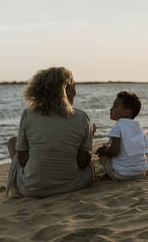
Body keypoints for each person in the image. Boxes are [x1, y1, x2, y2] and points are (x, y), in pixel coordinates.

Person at [6, 67, 94, 197]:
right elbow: (82, 162)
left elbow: (23, 160)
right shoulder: (81, 117)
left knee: (13, 142)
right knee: (90, 166)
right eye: (73, 87)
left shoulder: (28, 114)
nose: (75, 92)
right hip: (71, 186)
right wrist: (89, 137)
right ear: (65, 90)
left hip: (31, 189)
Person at [96, 91, 148, 181]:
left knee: (104, 157)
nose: (110, 109)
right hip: (141, 172)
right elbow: (144, 151)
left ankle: (109, 174)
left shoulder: (118, 127)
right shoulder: (138, 128)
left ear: (126, 112)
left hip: (122, 174)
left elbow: (114, 151)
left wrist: (104, 151)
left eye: (115, 106)